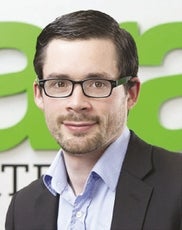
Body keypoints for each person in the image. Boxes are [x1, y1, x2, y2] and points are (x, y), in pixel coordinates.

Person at [5, 10, 182, 230]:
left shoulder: (178, 183)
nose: (77, 102)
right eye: (59, 84)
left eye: (97, 83)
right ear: (39, 94)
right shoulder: (23, 208)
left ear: (132, 93)